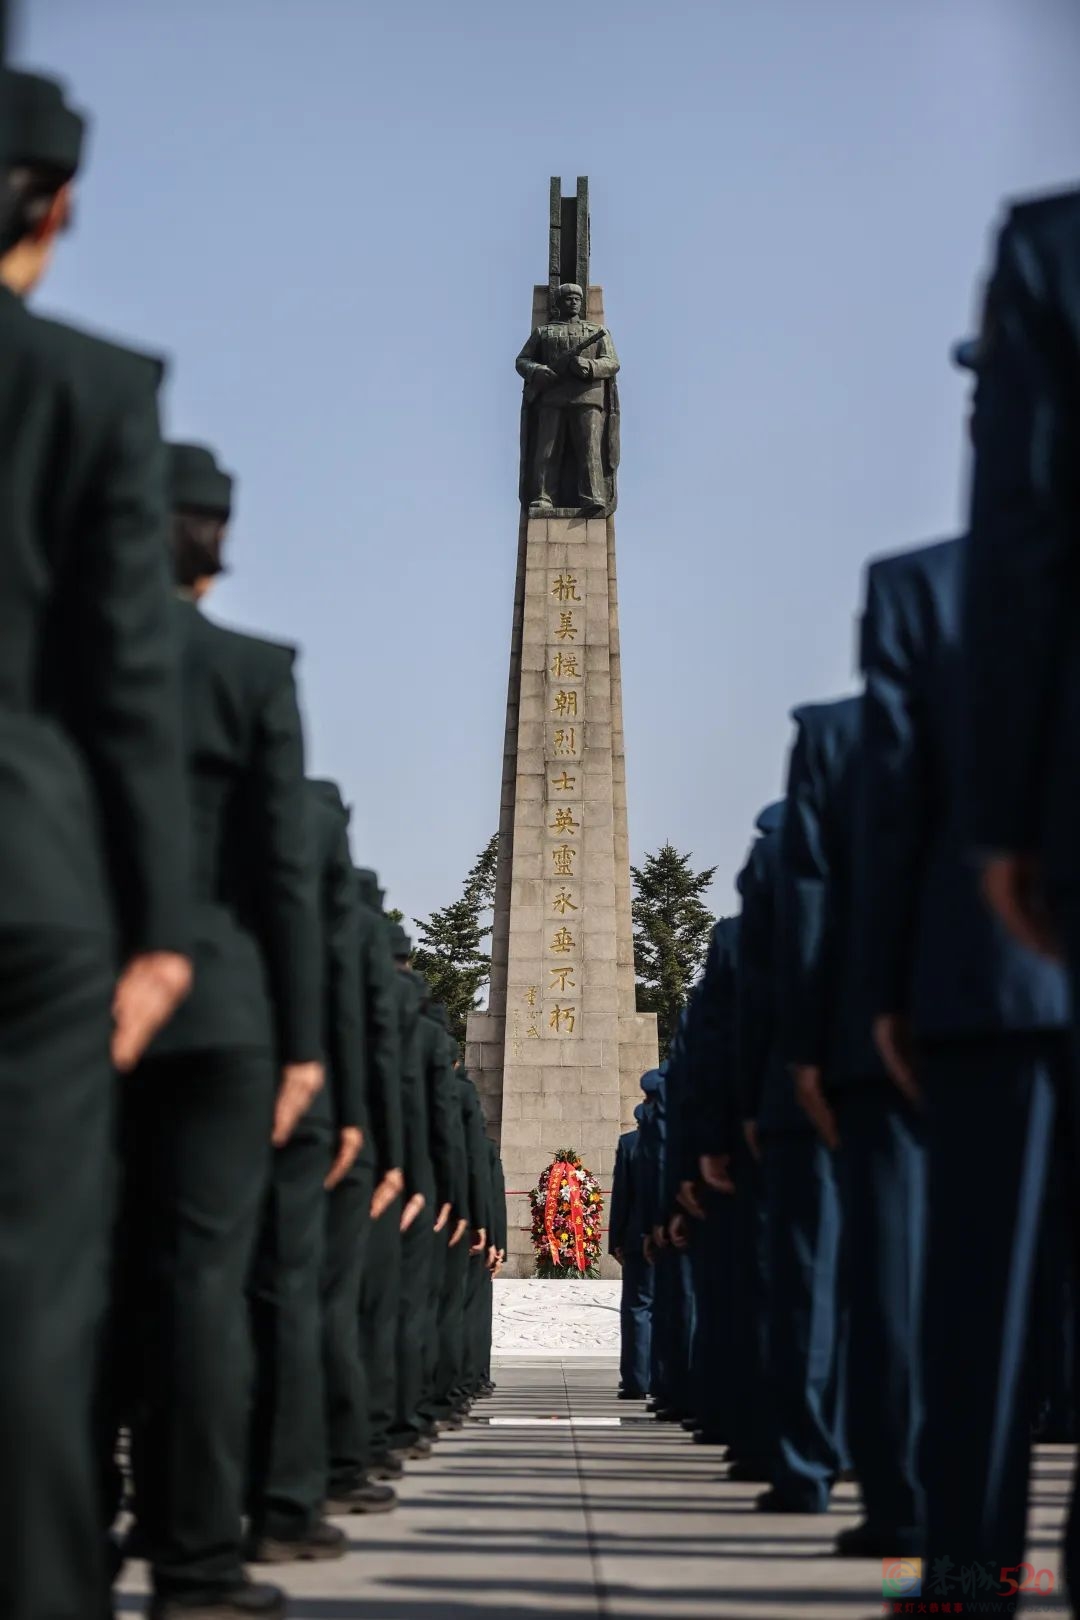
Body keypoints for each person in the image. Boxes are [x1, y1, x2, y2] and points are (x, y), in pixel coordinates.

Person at [0, 69, 192, 1620]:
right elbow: (130, 686)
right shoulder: (92, 390)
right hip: (30, 888)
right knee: (32, 1301)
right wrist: (160, 926)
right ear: (58, 209)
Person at [118, 440, 323, 1618]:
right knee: (204, 1284)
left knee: (70, 1276)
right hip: (218, 1014)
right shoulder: (248, 671)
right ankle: (196, 1557)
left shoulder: (60, 655)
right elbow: (284, 874)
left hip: (74, 988)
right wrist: (302, 1043)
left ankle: (60, 1538)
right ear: (213, 543)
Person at [863, 524, 1070, 1599]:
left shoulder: (929, 591)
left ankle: (972, 1567)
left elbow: (894, 808)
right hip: (999, 982)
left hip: (993, 983)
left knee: (981, 1298)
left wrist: (887, 991)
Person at [781, 693, 923, 1556]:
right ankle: (960, 1560)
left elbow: (811, 897)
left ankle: (935, 1538)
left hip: (882, 1045)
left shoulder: (836, 741)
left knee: (890, 1279)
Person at [515, 281, 620, 515]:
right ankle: (543, 495)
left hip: (587, 398)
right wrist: (537, 370)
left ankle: (592, 495)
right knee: (547, 449)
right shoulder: (544, 333)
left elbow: (612, 362)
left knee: (589, 449)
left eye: (577, 299)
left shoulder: (596, 332)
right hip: (551, 398)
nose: (573, 302)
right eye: (568, 298)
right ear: (558, 303)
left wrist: (590, 366)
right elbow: (522, 361)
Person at [609, 1111, 653, 1401]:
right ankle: (671, 1379)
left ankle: (637, 1380)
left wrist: (617, 1241)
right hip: (679, 1237)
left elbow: (622, 1196)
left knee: (638, 1308)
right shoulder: (681, 1137)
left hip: (638, 1239)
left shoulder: (631, 1143)